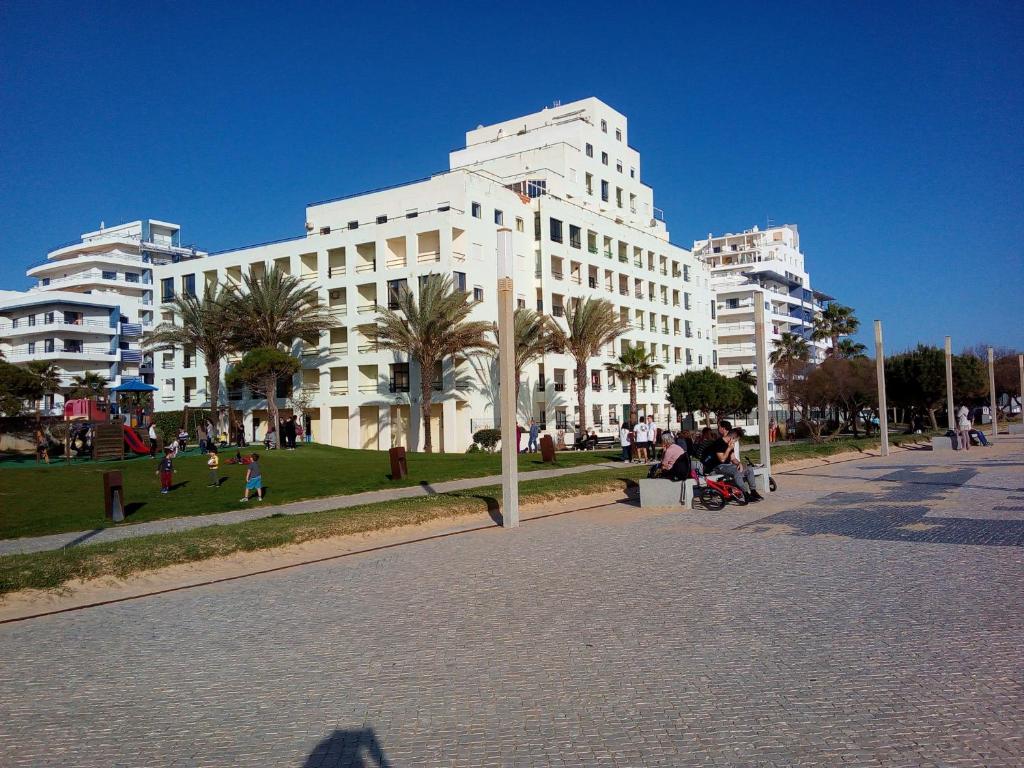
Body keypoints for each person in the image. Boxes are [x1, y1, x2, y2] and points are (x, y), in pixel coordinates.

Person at [703, 428, 762, 501]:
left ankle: (753, 491)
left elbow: (733, 458)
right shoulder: (719, 443)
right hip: (716, 467)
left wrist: (739, 463)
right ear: (732, 438)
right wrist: (729, 448)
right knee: (736, 471)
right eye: (736, 440)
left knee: (749, 468)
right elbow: (722, 459)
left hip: (727, 466)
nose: (736, 442)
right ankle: (745, 493)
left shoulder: (730, 444)